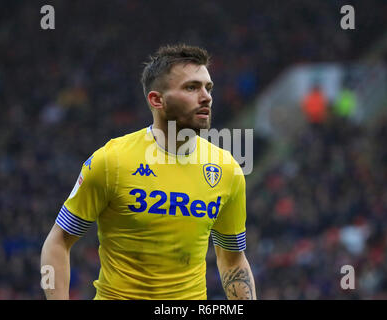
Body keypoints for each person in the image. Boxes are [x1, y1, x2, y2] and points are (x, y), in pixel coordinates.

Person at [40, 44, 256, 300]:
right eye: (191, 87)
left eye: (208, 88)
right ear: (156, 100)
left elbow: (232, 260)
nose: (206, 96)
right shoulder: (112, 161)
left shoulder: (227, 170)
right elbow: (58, 241)